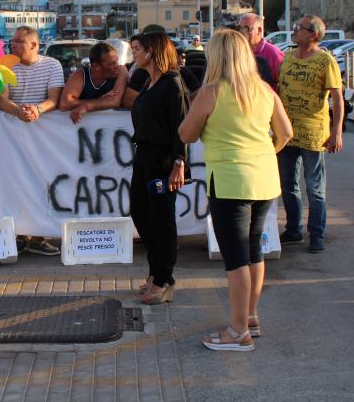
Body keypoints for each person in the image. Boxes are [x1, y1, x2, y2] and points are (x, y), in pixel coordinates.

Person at [179, 30, 293, 352]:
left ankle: (238, 330)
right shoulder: (265, 90)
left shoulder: (211, 92)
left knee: (235, 259)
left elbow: (187, 135)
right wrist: (265, 151)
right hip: (265, 178)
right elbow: (286, 132)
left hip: (230, 182)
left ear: (215, 57)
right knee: (254, 249)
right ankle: (251, 316)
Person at [129, 31, 189, 305]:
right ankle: (156, 271)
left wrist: (179, 162)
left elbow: (182, 127)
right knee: (141, 212)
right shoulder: (148, 82)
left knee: (162, 218)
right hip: (144, 156)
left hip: (163, 159)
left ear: (151, 51)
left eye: (137, 49)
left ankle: (164, 279)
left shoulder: (173, 84)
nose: (134, 55)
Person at [277, 15, 344, 253]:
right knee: (288, 186)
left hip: (314, 135)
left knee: (315, 188)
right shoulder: (286, 57)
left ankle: (317, 234)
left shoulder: (325, 61)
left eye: (299, 28)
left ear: (313, 35)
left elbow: (337, 98)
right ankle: (293, 229)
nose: (294, 31)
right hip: (287, 134)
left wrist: (336, 132)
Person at [0, 26, 64, 256]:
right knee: (13, 182)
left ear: (34, 45)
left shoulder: (52, 65)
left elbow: (54, 98)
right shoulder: (5, 66)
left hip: (42, 134)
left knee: (41, 181)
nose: (12, 45)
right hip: (12, 132)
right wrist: (19, 112)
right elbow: (1, 100)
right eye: (12, 41)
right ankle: (18, 234)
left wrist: (37, 110)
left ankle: (38, 235)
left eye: (18, 42)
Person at [58, 41, 127, 123]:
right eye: (112, 64)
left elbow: (115, 102)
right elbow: (64, 104)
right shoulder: (80, 75)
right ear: (96, 66)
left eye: (116, 61)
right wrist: (102, 99)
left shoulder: (121, 70)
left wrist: (86, 106)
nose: (117, 66)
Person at [123, 42, 201, 109]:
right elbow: (128, 100)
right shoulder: (142, 72)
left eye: (183, 56)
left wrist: (183, 104)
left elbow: (199, 93)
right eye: (176, 55)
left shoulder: (183, 72)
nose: (180, 59)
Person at [238, 13, 284, 90]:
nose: (242, 32)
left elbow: (282, 83)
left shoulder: (273, 53)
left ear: (259, 30)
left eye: (246, 28)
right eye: (240, 28)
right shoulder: (237, 52)